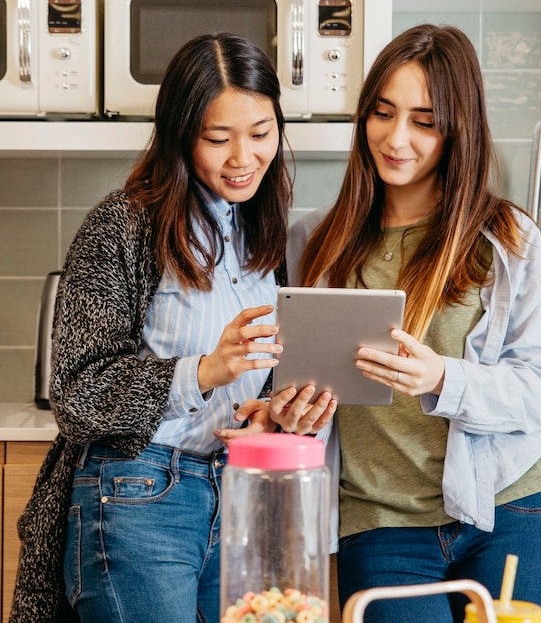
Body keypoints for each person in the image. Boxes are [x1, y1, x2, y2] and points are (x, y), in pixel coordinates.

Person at [10, 33, 335, 623]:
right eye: (219, 138)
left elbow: (256, 385)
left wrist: (275, 411)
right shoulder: (123, 225)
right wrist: (207, 370)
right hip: (142, 492)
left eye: (261, 134)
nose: (243, 158)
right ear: (181, 135)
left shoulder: (262, 234)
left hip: (240, 491)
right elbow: (77, 395)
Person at [275, 24, 541, 623]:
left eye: (424, 120)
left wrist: (443, 377)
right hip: (381, 524)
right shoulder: (311, 242)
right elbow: (285, 385)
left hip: (508, 510)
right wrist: (291, 415)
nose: (396, 137)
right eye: (383, 114)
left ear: (457, 130)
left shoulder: (507, 240)